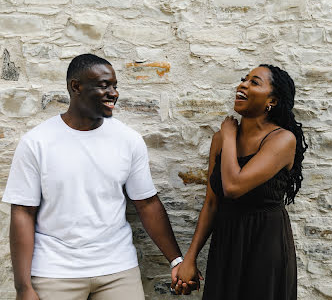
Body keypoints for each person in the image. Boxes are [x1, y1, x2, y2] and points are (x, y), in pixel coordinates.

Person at [3, 54, 193, 300]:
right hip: (55, 271)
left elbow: (146, 203)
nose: (113, 93)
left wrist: (176, 260)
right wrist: (23, 287)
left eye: (115, 86)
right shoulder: (37, 142)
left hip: (117, 269)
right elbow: (23, 213)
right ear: (76, 86)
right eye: (104, 85)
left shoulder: (128, 140)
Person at [173, 64, 308, 299]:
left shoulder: (282, 140)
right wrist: (190, 259)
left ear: (272, 101)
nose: (243, 84)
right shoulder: (220, 139)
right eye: (244, 79)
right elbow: (212, 204)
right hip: (227, 242)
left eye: (254, 82)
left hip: (264, 245)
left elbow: (234, 187)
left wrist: (228, 135)